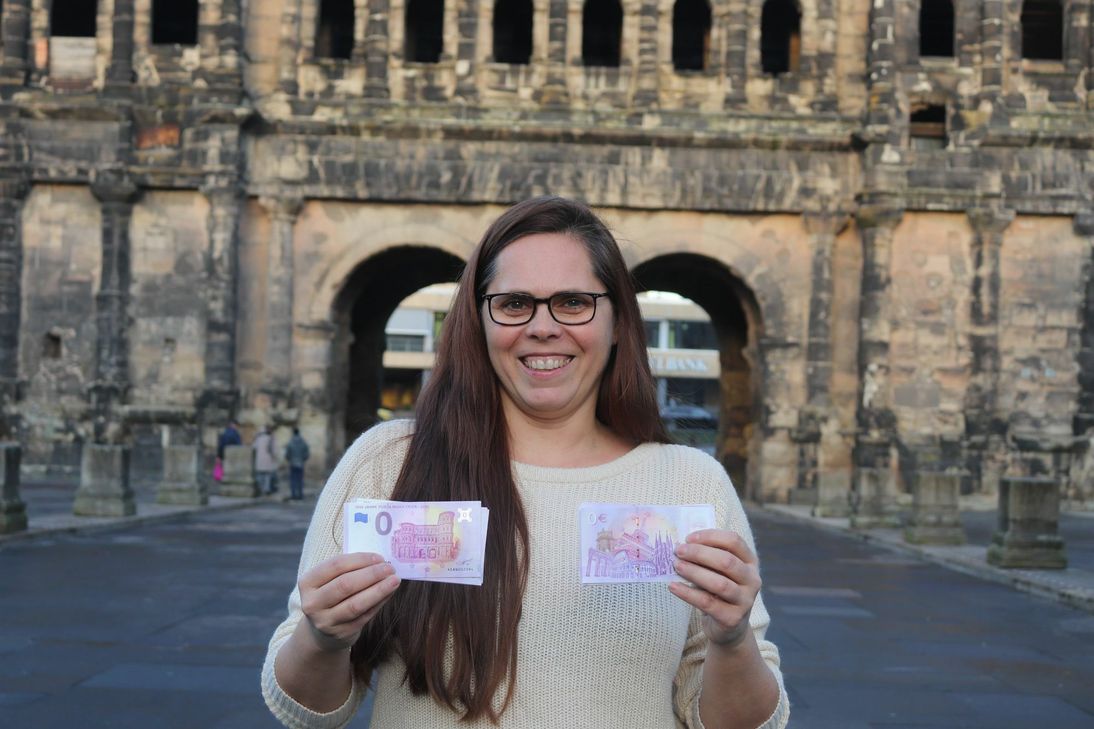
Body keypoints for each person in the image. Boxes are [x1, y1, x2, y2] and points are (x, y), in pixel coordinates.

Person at [261, 197, 789, 728]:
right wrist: (323, 638)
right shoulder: (390, 461)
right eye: (514, 303)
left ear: (619, 321)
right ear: (479, 318)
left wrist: (733, 638)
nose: (542, 326)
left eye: (574, 302)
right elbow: (306, 709)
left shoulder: (689, 482)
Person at [284, 427, 311, 501]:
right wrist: (303, 459)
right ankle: (300, 495)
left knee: (293, 480)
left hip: (293, 463)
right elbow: (307, 453)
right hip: (300, 463)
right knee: (300, 480)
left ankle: (293, 495)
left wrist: (290, 459)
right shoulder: (303, 442)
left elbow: (287, 454)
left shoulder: (290, 442)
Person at [253, 425, 279, 495]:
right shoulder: (271, 438)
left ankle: (260, 489)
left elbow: (254, 447)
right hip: (267, 460)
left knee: (260, 475)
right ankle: (266, 489)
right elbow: (273, 450)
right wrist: (275, 458)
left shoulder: (259, 438)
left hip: (259, 460)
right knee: (267, 476)